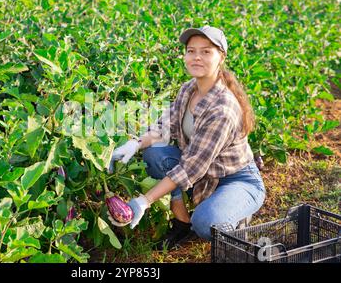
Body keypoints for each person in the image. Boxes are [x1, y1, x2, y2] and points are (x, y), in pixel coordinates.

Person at [108, 25, 266, 250]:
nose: (197, 57)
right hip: (204, 174)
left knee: (206, 223)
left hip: (236, 179)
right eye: (191, 51)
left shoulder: (222, 109)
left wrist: (144, 201)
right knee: (153, 153)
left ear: (221, 57)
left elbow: (190, 167)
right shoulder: (189, 89)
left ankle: (234, 217)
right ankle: (182, 221)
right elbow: (166, 125)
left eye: (206, 51)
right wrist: (135, 144)